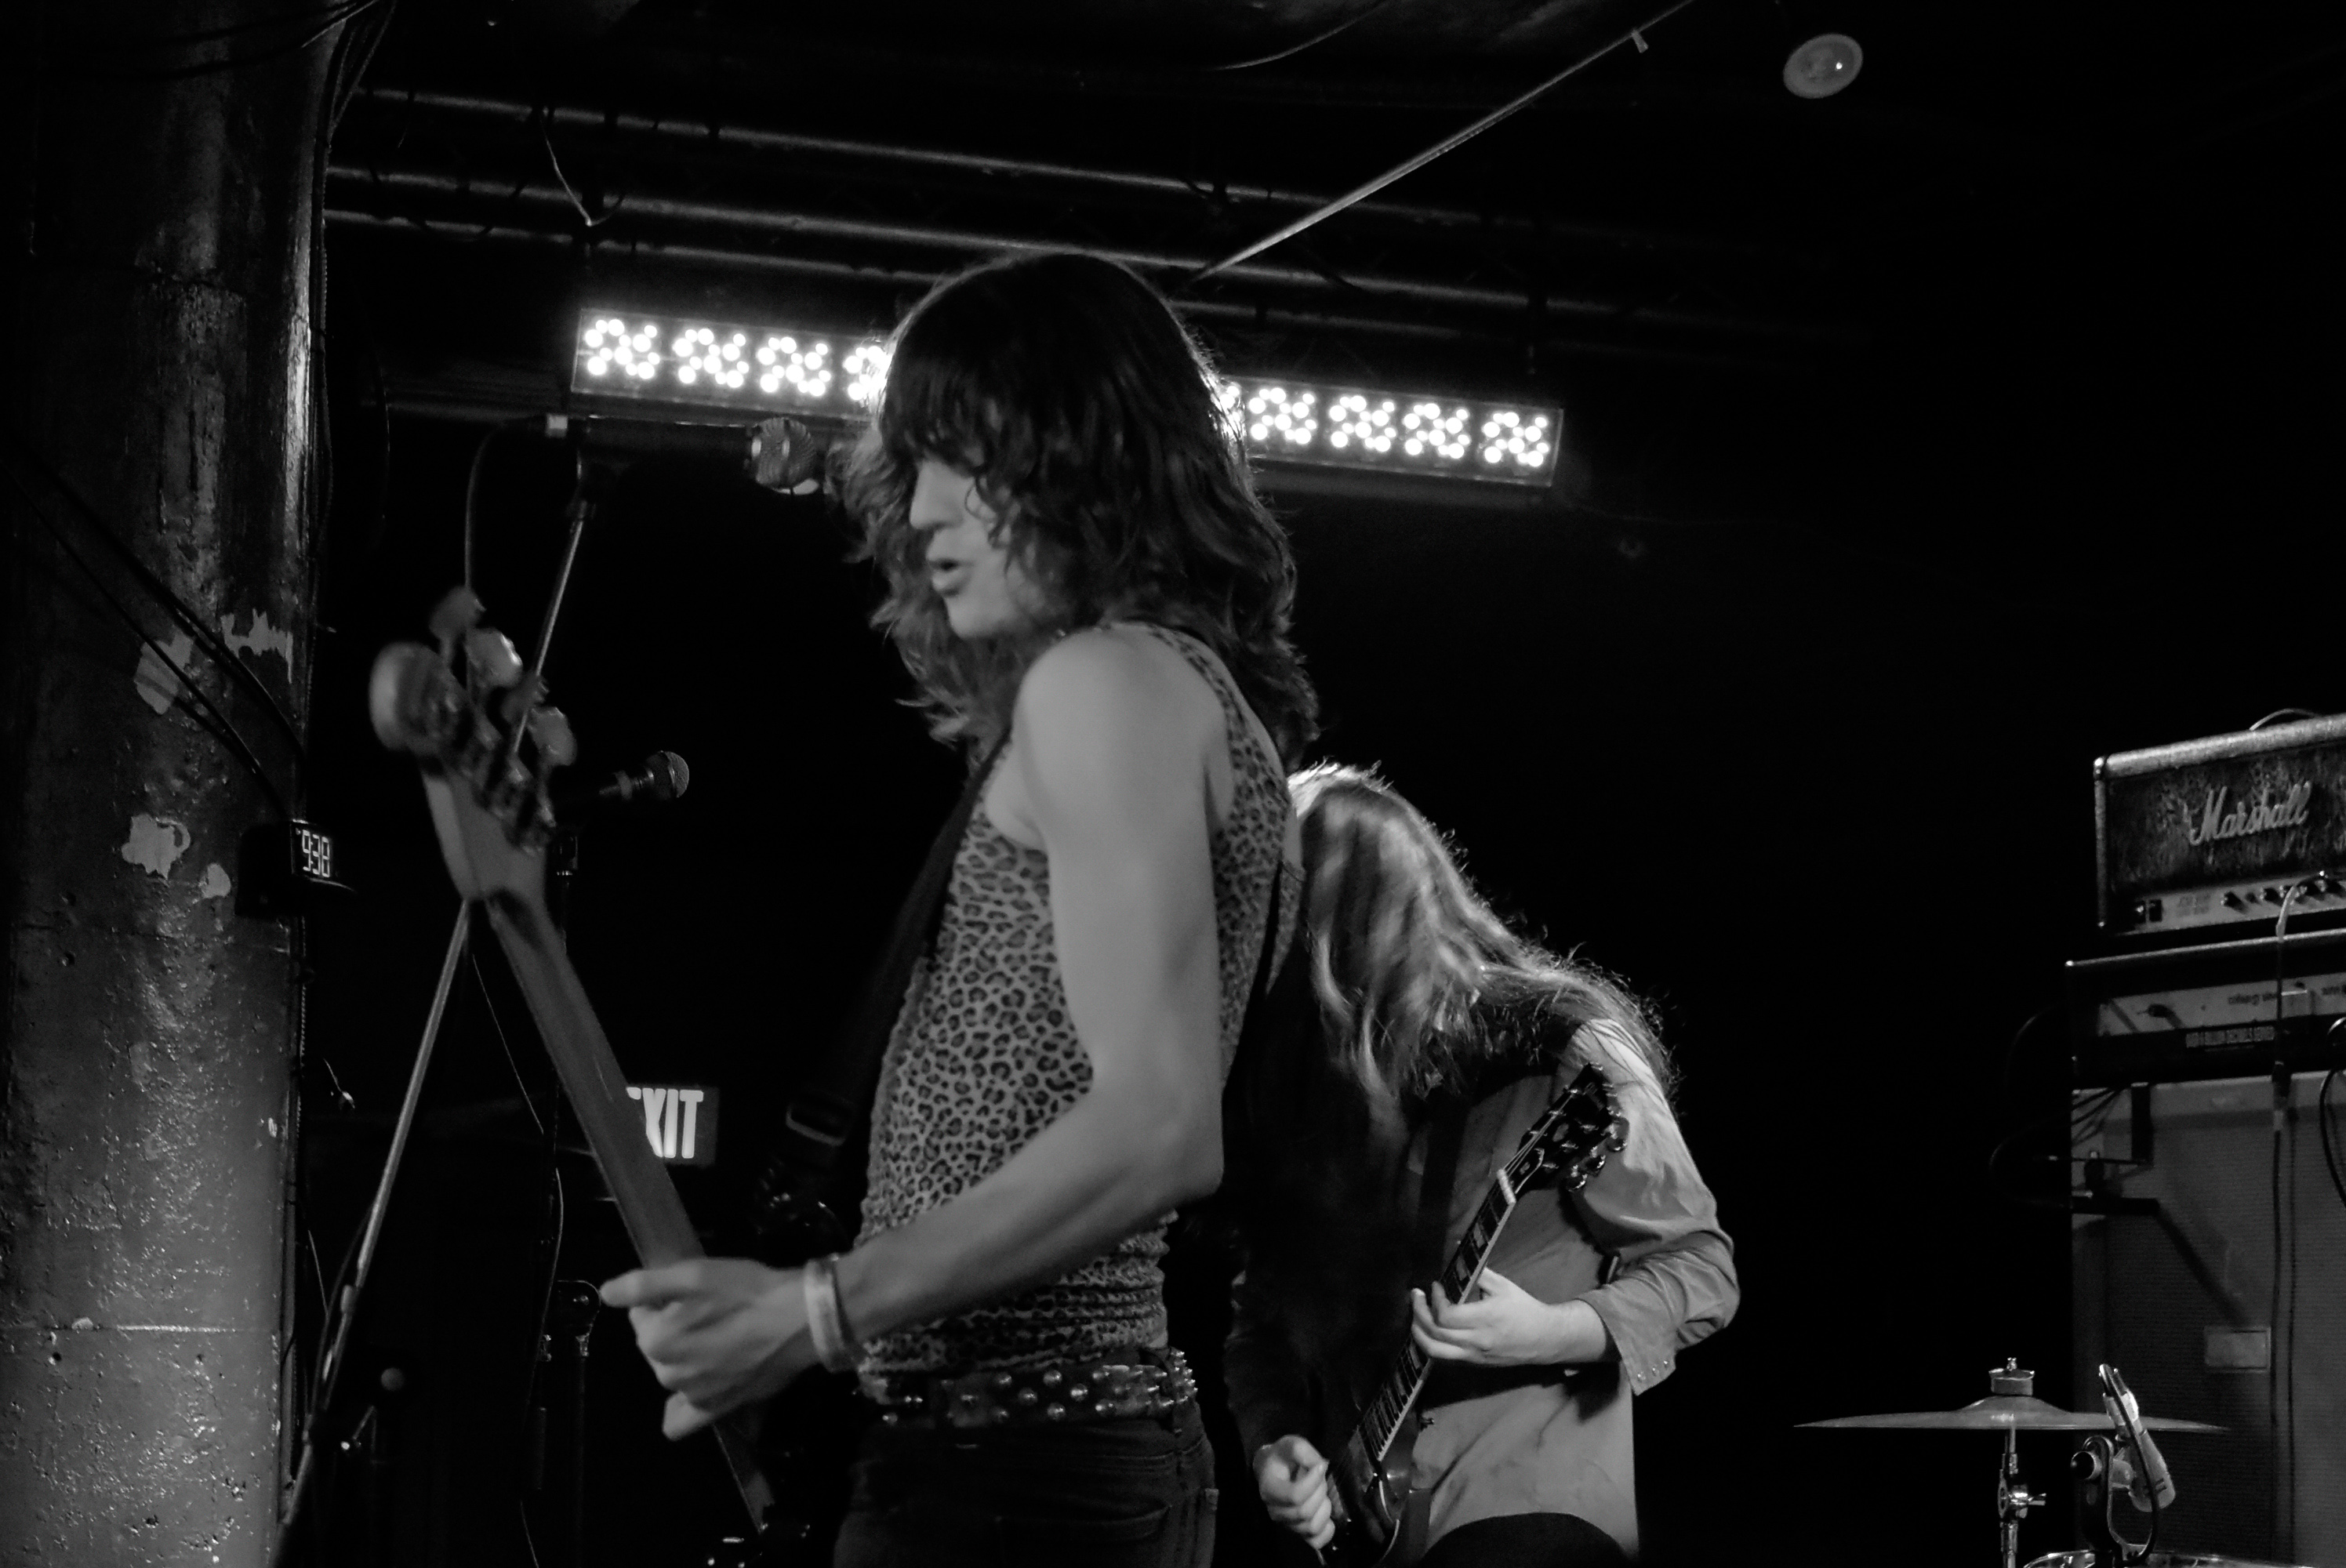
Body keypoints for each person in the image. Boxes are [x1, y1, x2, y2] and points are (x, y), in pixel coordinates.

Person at [598, 250, 1313, 1567]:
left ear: (1084, 453)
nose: (921, 510)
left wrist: (818, 1311)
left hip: (1015, 1473)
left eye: (962, 462)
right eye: (914, 465)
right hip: (1052, 1453)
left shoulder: (1106, 683)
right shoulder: (1186, 695)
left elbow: (1161, 1129)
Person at [1224, 764, 1736, 1566]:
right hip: (1367, 1527)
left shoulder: (1560, 1047)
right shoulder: (1307, 1099)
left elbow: (1701, 1268)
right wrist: (1275, 1440)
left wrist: (1547, 1331)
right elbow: (1261, 1322)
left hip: (1532, 1500)